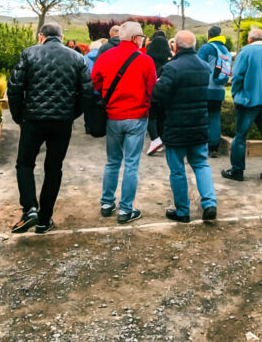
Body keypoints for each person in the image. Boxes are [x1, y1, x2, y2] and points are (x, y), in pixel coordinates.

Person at [6, 23, 93, 235]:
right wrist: (72, 114)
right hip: (62, 122)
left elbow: (14, 88)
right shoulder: (76, 58)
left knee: (24, 164)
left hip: (33, 119)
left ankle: (30, 209)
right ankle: (44, 219)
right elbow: (88, 92)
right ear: (61, 37)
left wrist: (19, 117)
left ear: (40, 36)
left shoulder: (29, 54)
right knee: (53, 169)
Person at [92, 21, 157, 224]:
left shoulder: (104, 57)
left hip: (113, 117)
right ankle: (126, 209)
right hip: (137, 118)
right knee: (131, 164)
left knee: (112, 162)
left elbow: (94, 83)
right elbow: (152, 90)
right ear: (136, 38)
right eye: (142, 37)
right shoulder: (146, 61)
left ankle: (106, 203)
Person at [151, 30, 217, 223]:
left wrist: (156, 84)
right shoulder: (204, 67)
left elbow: (159, 94)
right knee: (201, 164)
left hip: (176, 127)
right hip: (199, 125)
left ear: (175, 46)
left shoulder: (171, 68)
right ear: (194, 45)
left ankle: (182, 211)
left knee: (178, 170)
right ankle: (209, 202)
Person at [223, 27, 262, 184]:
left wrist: (236, 95)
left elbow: (236, 77)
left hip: (247, 102)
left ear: (249, 39)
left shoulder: (245, 53)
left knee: (240, 137)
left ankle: (237, 171)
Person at [197, 25, 232, 158]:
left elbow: (198, 65)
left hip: (205, 89)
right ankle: (214, 148)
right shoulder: (225, 50)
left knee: (202, 116)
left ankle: (202, 146)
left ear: (209, 35)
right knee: (215, 116)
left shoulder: (207, 48)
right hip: (219, 90)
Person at [145, 29, 173, 154]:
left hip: (150, 93)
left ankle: (155, 140)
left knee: (151, 117)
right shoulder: (169, 60)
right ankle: (162, 139)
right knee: (162, 117)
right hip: (164, 94)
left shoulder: (146, 59)